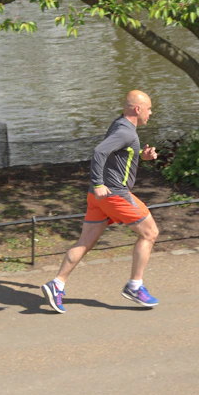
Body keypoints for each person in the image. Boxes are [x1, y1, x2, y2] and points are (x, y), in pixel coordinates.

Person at [42, 90, 160, 314]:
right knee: (150, 233)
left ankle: (56, 284)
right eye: (149, 109)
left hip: (99, 197)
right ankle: (135, 286)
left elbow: (117, 155)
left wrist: (141, 157)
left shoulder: (120, 125)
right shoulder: (126, 132)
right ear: (138, 109)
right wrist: (97, 182)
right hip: (113, 194)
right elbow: (99, 152)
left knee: (85, 242)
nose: (151, 113)